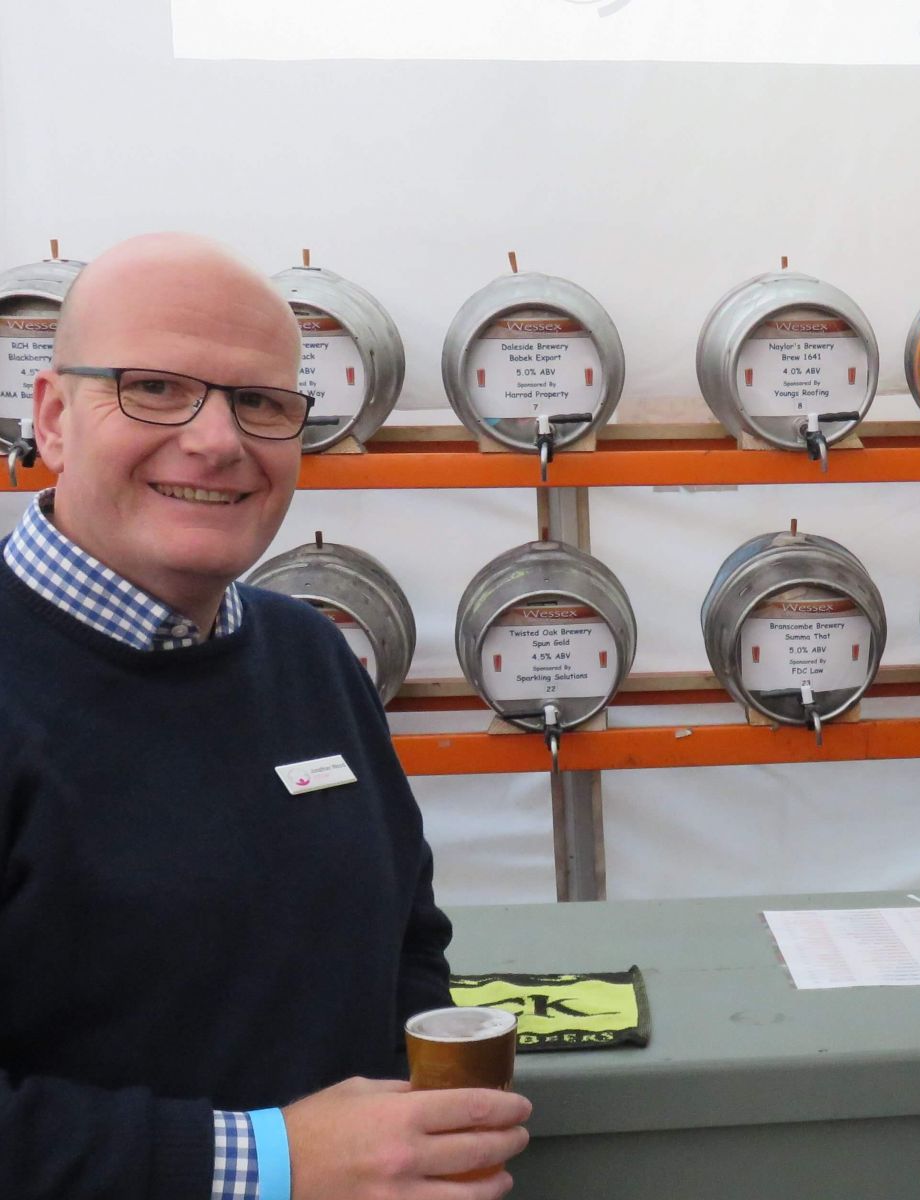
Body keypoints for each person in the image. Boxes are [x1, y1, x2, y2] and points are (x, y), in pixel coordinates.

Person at [0, 234, 531, 1200]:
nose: (216, 439)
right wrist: (274, 1163)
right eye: (153, 387)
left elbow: (405, 937)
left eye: (260, 402)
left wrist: (430, 1120)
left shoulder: (308, 652)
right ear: (53, 418)